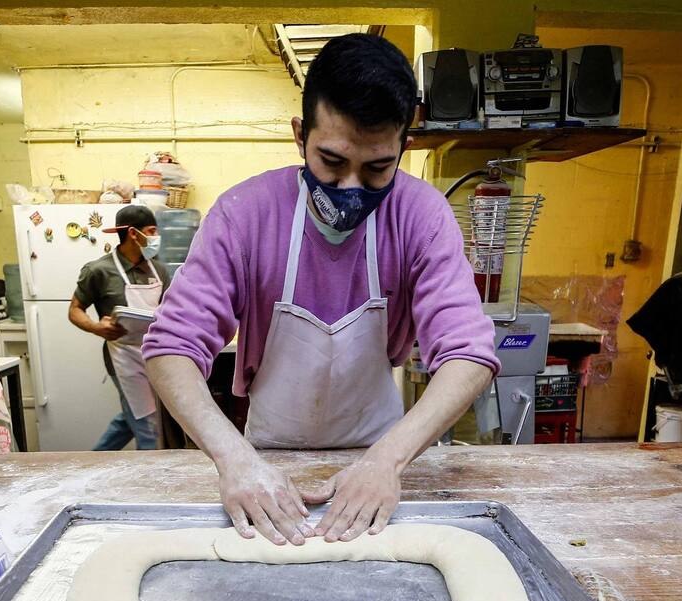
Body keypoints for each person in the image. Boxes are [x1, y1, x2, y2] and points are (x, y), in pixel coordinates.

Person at [144, 34, 499, 545]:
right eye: (332, 162)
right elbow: (172, 346)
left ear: (404, 145)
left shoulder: (421, 216)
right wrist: (234, 459)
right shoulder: (245, 213)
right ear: (299, 135)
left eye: (378, 167)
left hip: (381, 457)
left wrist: (387, 461)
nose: (351, 187)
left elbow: (468, 354)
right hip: (264, 463)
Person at [69, 204, 170, 450]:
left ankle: (92, 464)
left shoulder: (158, 270)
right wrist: (96, 327)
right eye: (152, 231)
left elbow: (171, 309)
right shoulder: (99, 270)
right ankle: (150, 483)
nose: (156, 238)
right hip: (123, 357)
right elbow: (74, 310)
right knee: (149, 427)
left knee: (131, 417)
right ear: (134, 234)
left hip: (154, 354)